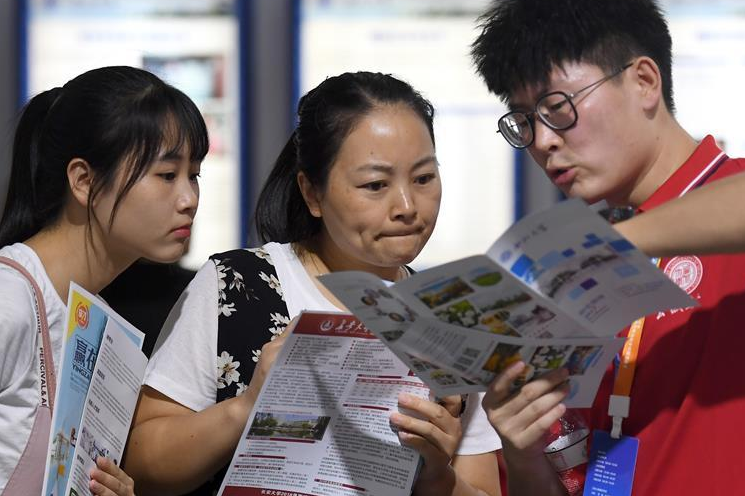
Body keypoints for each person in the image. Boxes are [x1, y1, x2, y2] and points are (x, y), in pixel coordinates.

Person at [469, 0, 745, 495]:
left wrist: (614, 243)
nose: (543, 140)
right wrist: (524, 455)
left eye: (557, 107)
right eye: (525, 120)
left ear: (644, 81)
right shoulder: (573, 271)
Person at [125, 71, 502, 496]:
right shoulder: (237, 286)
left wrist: (436, 475)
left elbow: (484, 488)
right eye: (375, 185)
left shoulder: (449, 321)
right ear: (312, 193)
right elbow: (141, 461)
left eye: (424, 178)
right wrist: (246, 407)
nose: (407, 206)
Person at [0, 66, 208, 495]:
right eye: (167, 175)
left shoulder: (95, 319)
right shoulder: (1, 298)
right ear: (83, 181)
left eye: (195, 175)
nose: (189, 198)